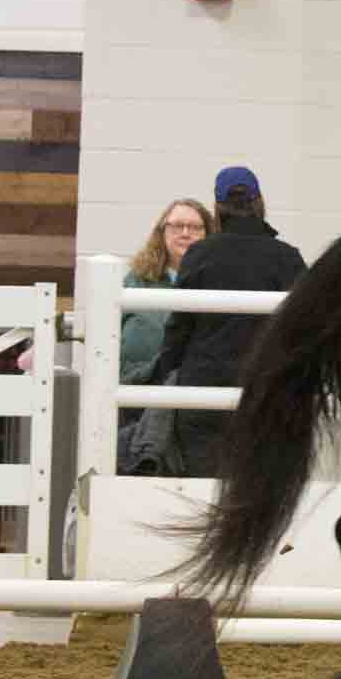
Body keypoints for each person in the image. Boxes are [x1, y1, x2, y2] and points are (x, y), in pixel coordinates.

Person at [151, 165, 307, 478]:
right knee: (259, 490)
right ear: (259, 203)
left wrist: (161, 381)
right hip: (266, 397)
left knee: (202, 493)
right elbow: (305, 330)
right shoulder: (288, 258)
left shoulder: (200, 255)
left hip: (203, 397)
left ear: (218, 208)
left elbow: (178, 331)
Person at [117, 197, 215, 475]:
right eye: (177, 226)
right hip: (134, 390)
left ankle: (148, 457)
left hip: (192, 396)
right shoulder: (136, 280)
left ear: (208, 234)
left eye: (195, 227)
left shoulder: (215, 280)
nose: (185, 233)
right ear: (162, 232)